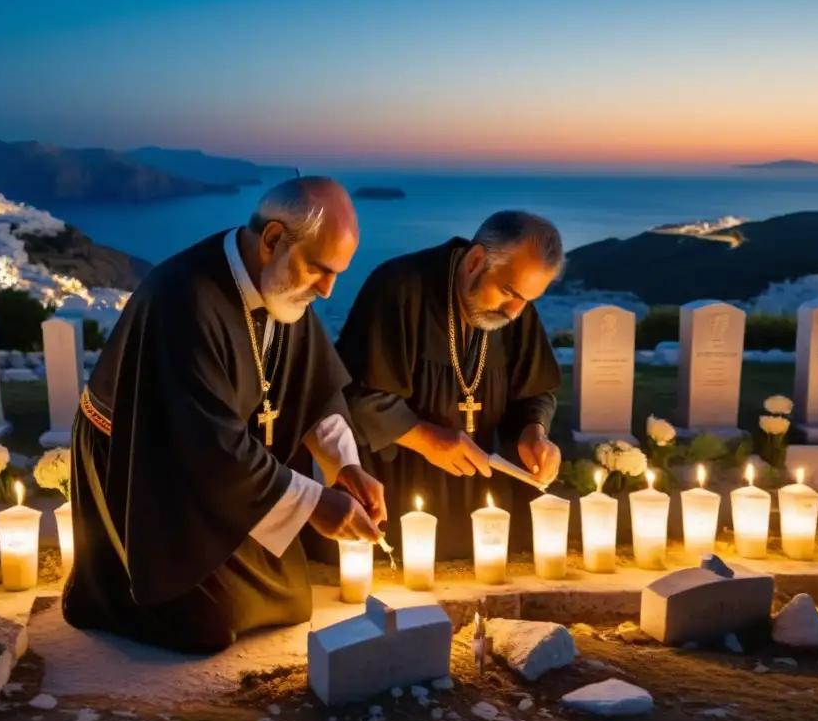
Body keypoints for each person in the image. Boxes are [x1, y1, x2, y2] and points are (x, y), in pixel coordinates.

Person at [63, 176, 387, 653]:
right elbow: (205, 444)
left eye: (337, 272)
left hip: (220, 468)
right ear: (273, 239)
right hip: (144, 465)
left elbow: (315, 388)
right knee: (207, 626)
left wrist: (346, 465)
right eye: (320, 270)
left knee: (293, 598)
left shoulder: (279, 286)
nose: (328, 290)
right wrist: (315, 503)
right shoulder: (184, 299)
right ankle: (110, 593)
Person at [335, 211, 564, 560]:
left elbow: (534, 390)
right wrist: (425, 437)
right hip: (400, 488)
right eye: (507, 291)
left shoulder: (515, 311)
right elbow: (355, 395)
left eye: (528, 300)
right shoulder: (397, 289)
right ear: (475, 261)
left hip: (483, 494)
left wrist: (534, 432)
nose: (514, 311)